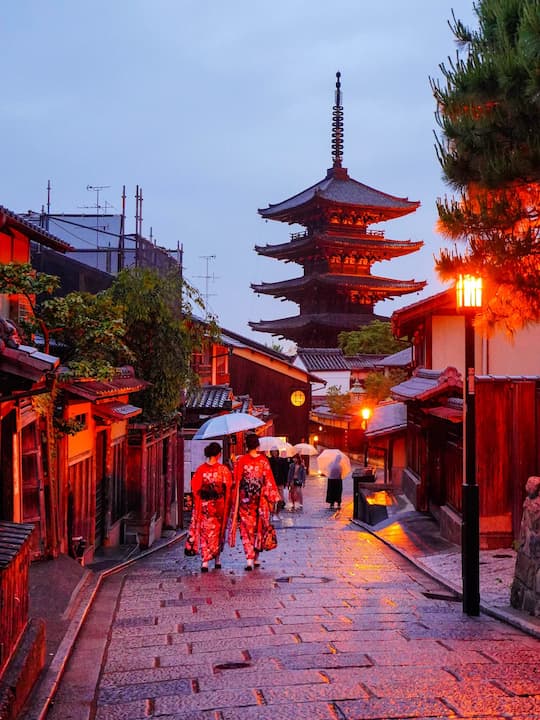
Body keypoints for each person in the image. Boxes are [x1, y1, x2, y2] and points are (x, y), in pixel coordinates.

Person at [229, 433, 281, 570]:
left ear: (246, 445)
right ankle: (255, 557)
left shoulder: (241, 461)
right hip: (260, 500)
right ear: (257, 445)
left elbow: (236, 481)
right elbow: (269, 481)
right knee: (259, 527)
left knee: (246, 529)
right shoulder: (263, 461)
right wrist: (273, 499)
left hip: (245, 500)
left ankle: (249, 558)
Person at [186, 442, 233, 572]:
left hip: (205, 506)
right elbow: (228, 487)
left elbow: (195, 488)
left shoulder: (201, 469)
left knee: (206, 533)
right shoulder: (223, 470)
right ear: (219, 454)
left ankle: (205, 561)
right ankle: (217, 559)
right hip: (219, 506)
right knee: (218, 532)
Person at [268, 447, 288, 512]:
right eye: (273, 451)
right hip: (272, 479)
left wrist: (286, 480)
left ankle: (280, 504)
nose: (274, 453)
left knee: (280, 493)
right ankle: (273, 505)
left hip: (280, 479)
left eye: (275, 451)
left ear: (278, 452)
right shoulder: (269, 460)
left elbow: (285, 470)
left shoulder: (281, 460)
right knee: (273, 493)